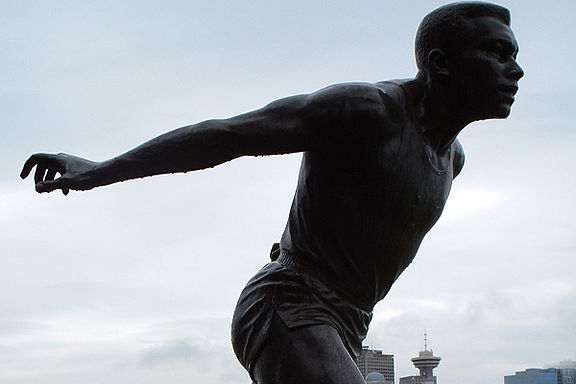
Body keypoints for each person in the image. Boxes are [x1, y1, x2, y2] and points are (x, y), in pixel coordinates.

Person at [21, 2, 523, 383]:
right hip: (288, 302)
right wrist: (98, 171)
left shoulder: (452, 160)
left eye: (515, 56)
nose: (515, 70)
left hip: (348, 327)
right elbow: (228, 135)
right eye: (498, 53)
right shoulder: (366, 113)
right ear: (440, 64)